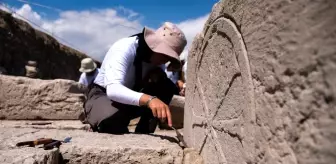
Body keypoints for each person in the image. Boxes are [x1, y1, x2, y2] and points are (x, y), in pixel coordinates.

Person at [83, 22, 187, 134]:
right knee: (113, 120)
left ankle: (144, 131)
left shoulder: (157, 61)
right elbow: (113, 90)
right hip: (103, 94)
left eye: (169, 58)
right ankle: (97, 117)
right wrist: (150, 100)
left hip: (129, 98)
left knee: (166, 86)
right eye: (165, 55)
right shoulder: (124, 47)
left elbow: (163, 87)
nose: (166, 61)